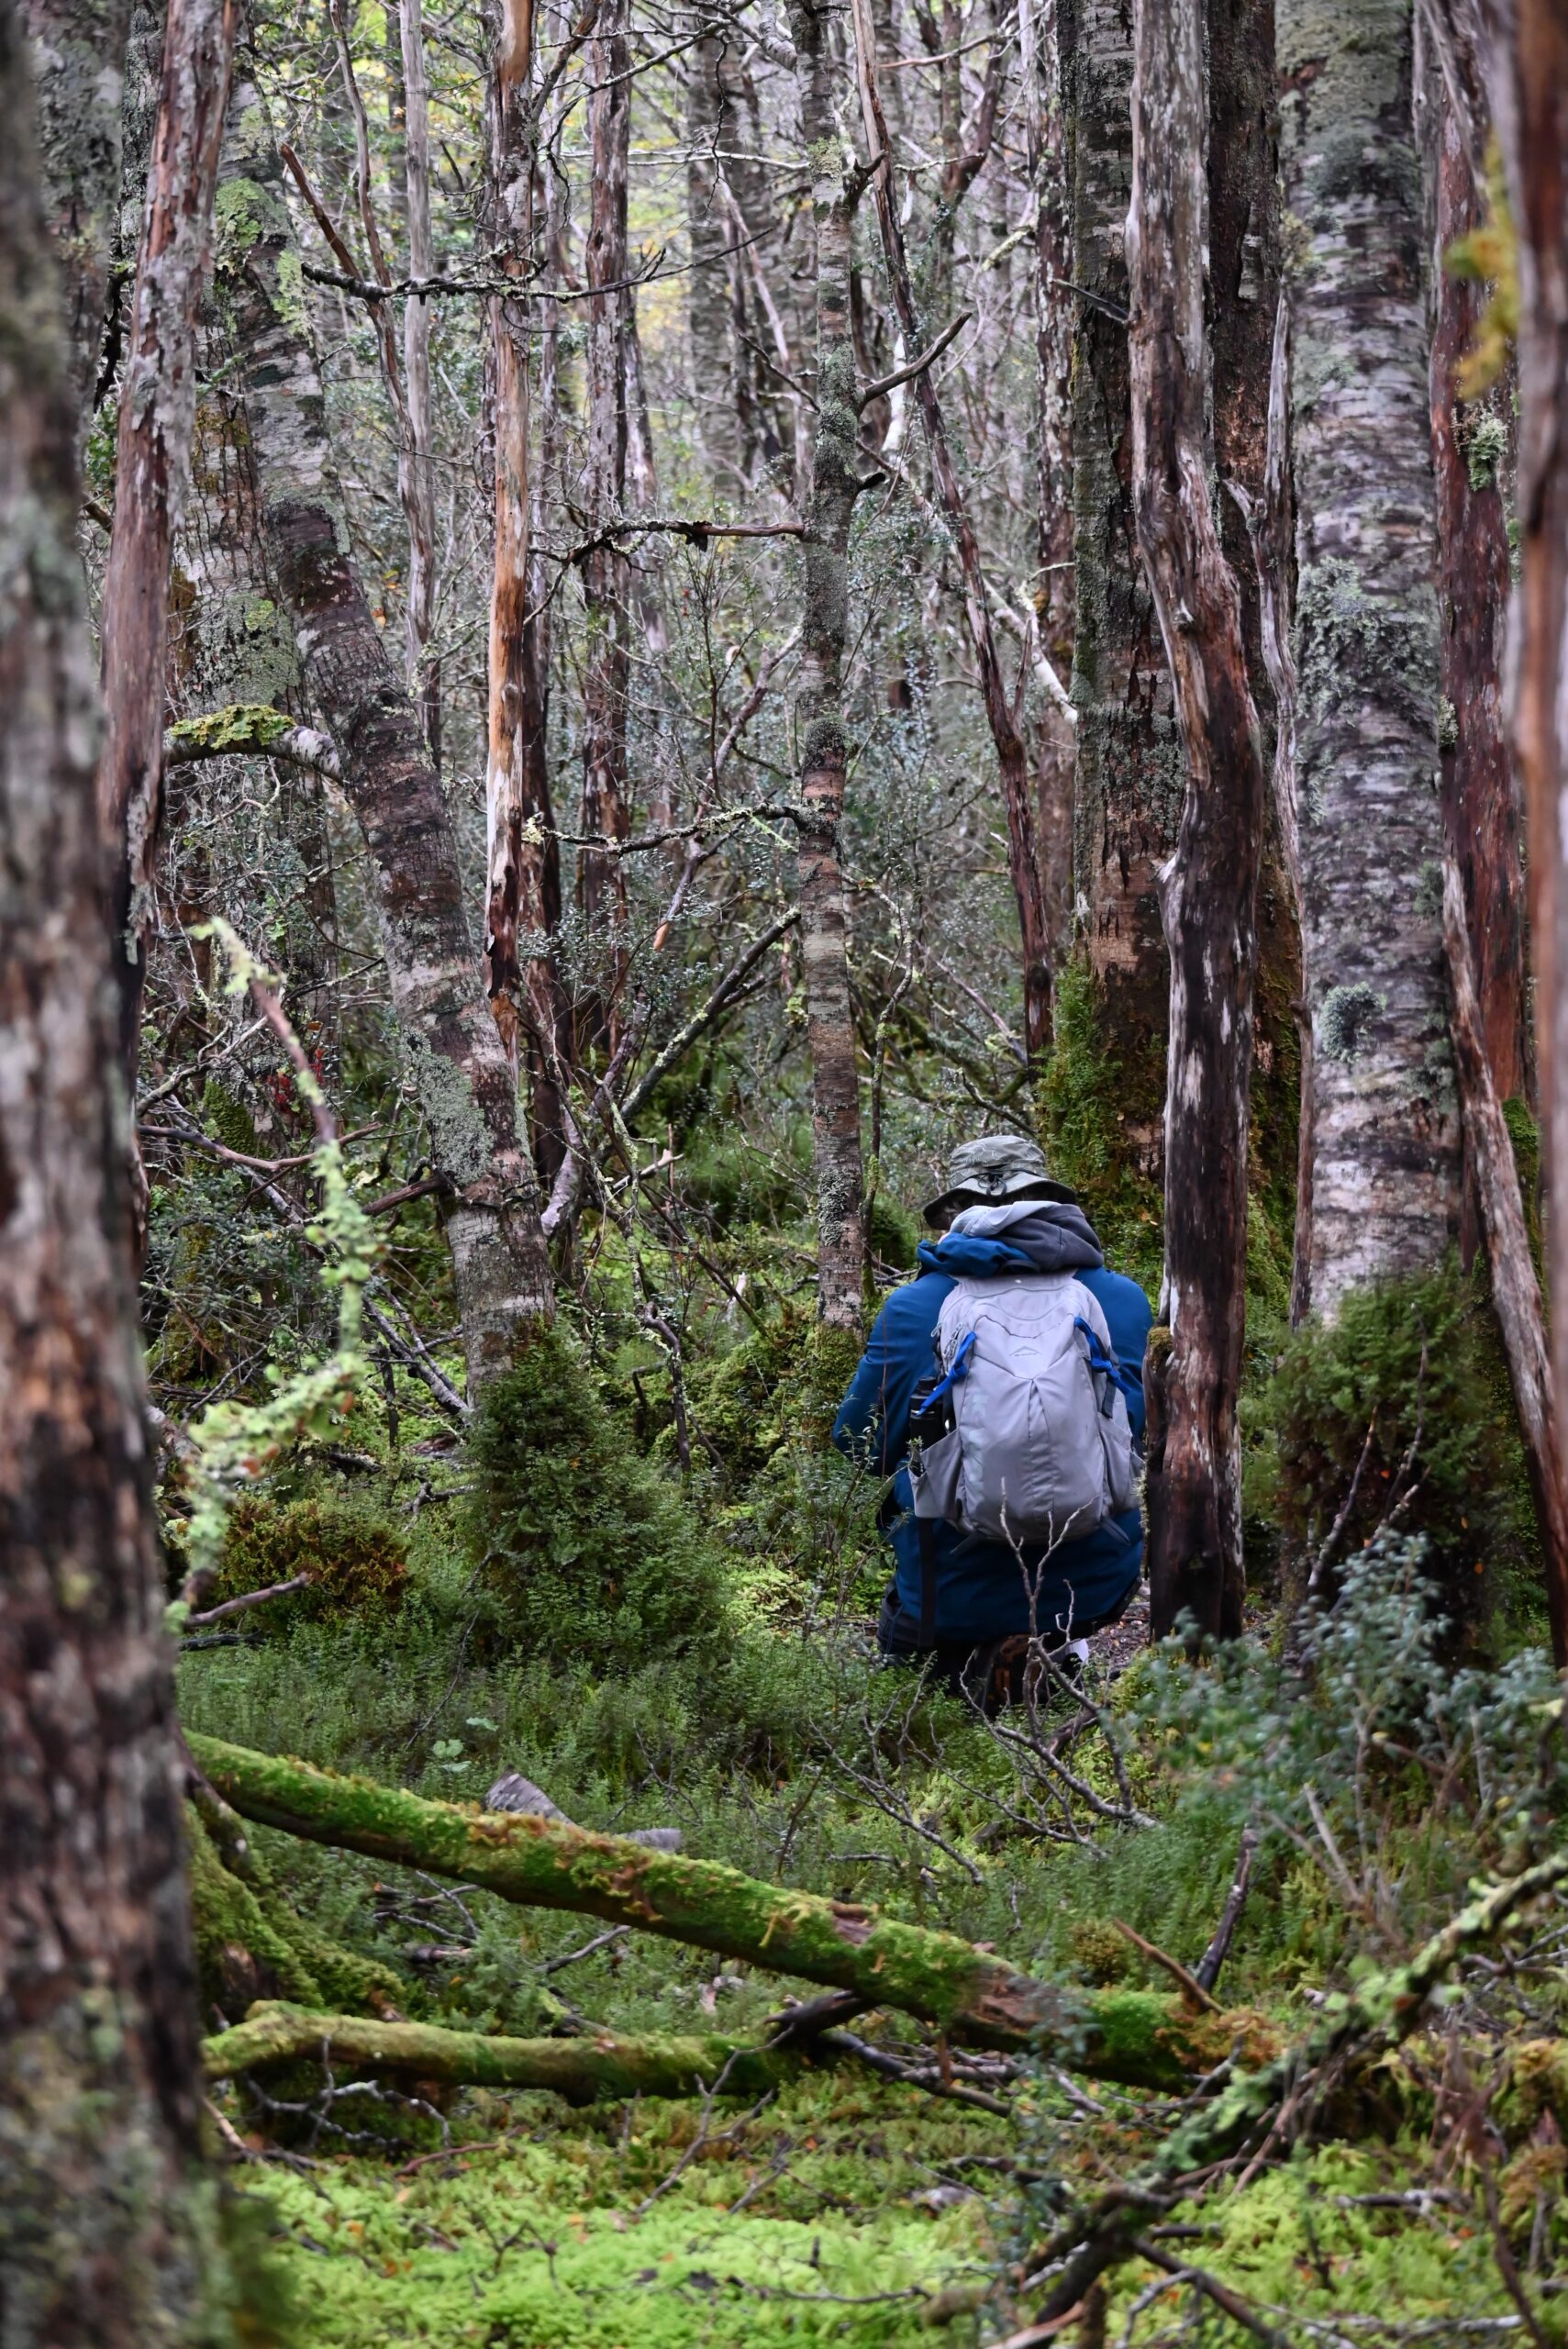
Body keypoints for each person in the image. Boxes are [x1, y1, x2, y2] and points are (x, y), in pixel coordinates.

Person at [833, 1132, 1151, 1705]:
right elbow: (1136, 1431)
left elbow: (860, 1444)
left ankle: (968, 1674)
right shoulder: (1121, 1300)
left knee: (910, 1644)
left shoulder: (913, 1308)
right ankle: (1060, 1655)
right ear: (1048, 1201)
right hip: (1097, 1581)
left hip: (951, 1590)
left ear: (956, 1212)